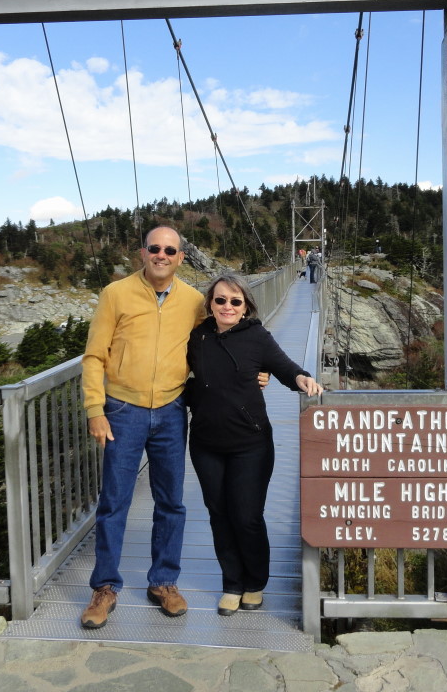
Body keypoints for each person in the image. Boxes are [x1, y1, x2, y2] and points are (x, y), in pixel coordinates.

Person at [78, 226, 205, 629]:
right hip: (122, 410)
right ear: (142, 253)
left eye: (170, 250)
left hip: (171, 409)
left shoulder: (195, 301)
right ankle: (104, 587)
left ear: (181, 257)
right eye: (155, 248)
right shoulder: (115, 294)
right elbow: (94, 356)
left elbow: (223, 341)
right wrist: (95, 409)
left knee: (171, 502)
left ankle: (163, 582)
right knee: (114, 502)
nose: (162, 255)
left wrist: (258, 372)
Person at [186, 273, 322, 617]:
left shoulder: (257, 336)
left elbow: (283, 366)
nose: (227, 306)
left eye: (235, 301)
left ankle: (255, 583)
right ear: (210, 304)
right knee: (220, 516)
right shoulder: (197, 336)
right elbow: (186, 378)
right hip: (206, 443)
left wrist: (301, 378)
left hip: (251, 443)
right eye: (220, 300)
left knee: (246, 516)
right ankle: (232, 583)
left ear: (246, 305)